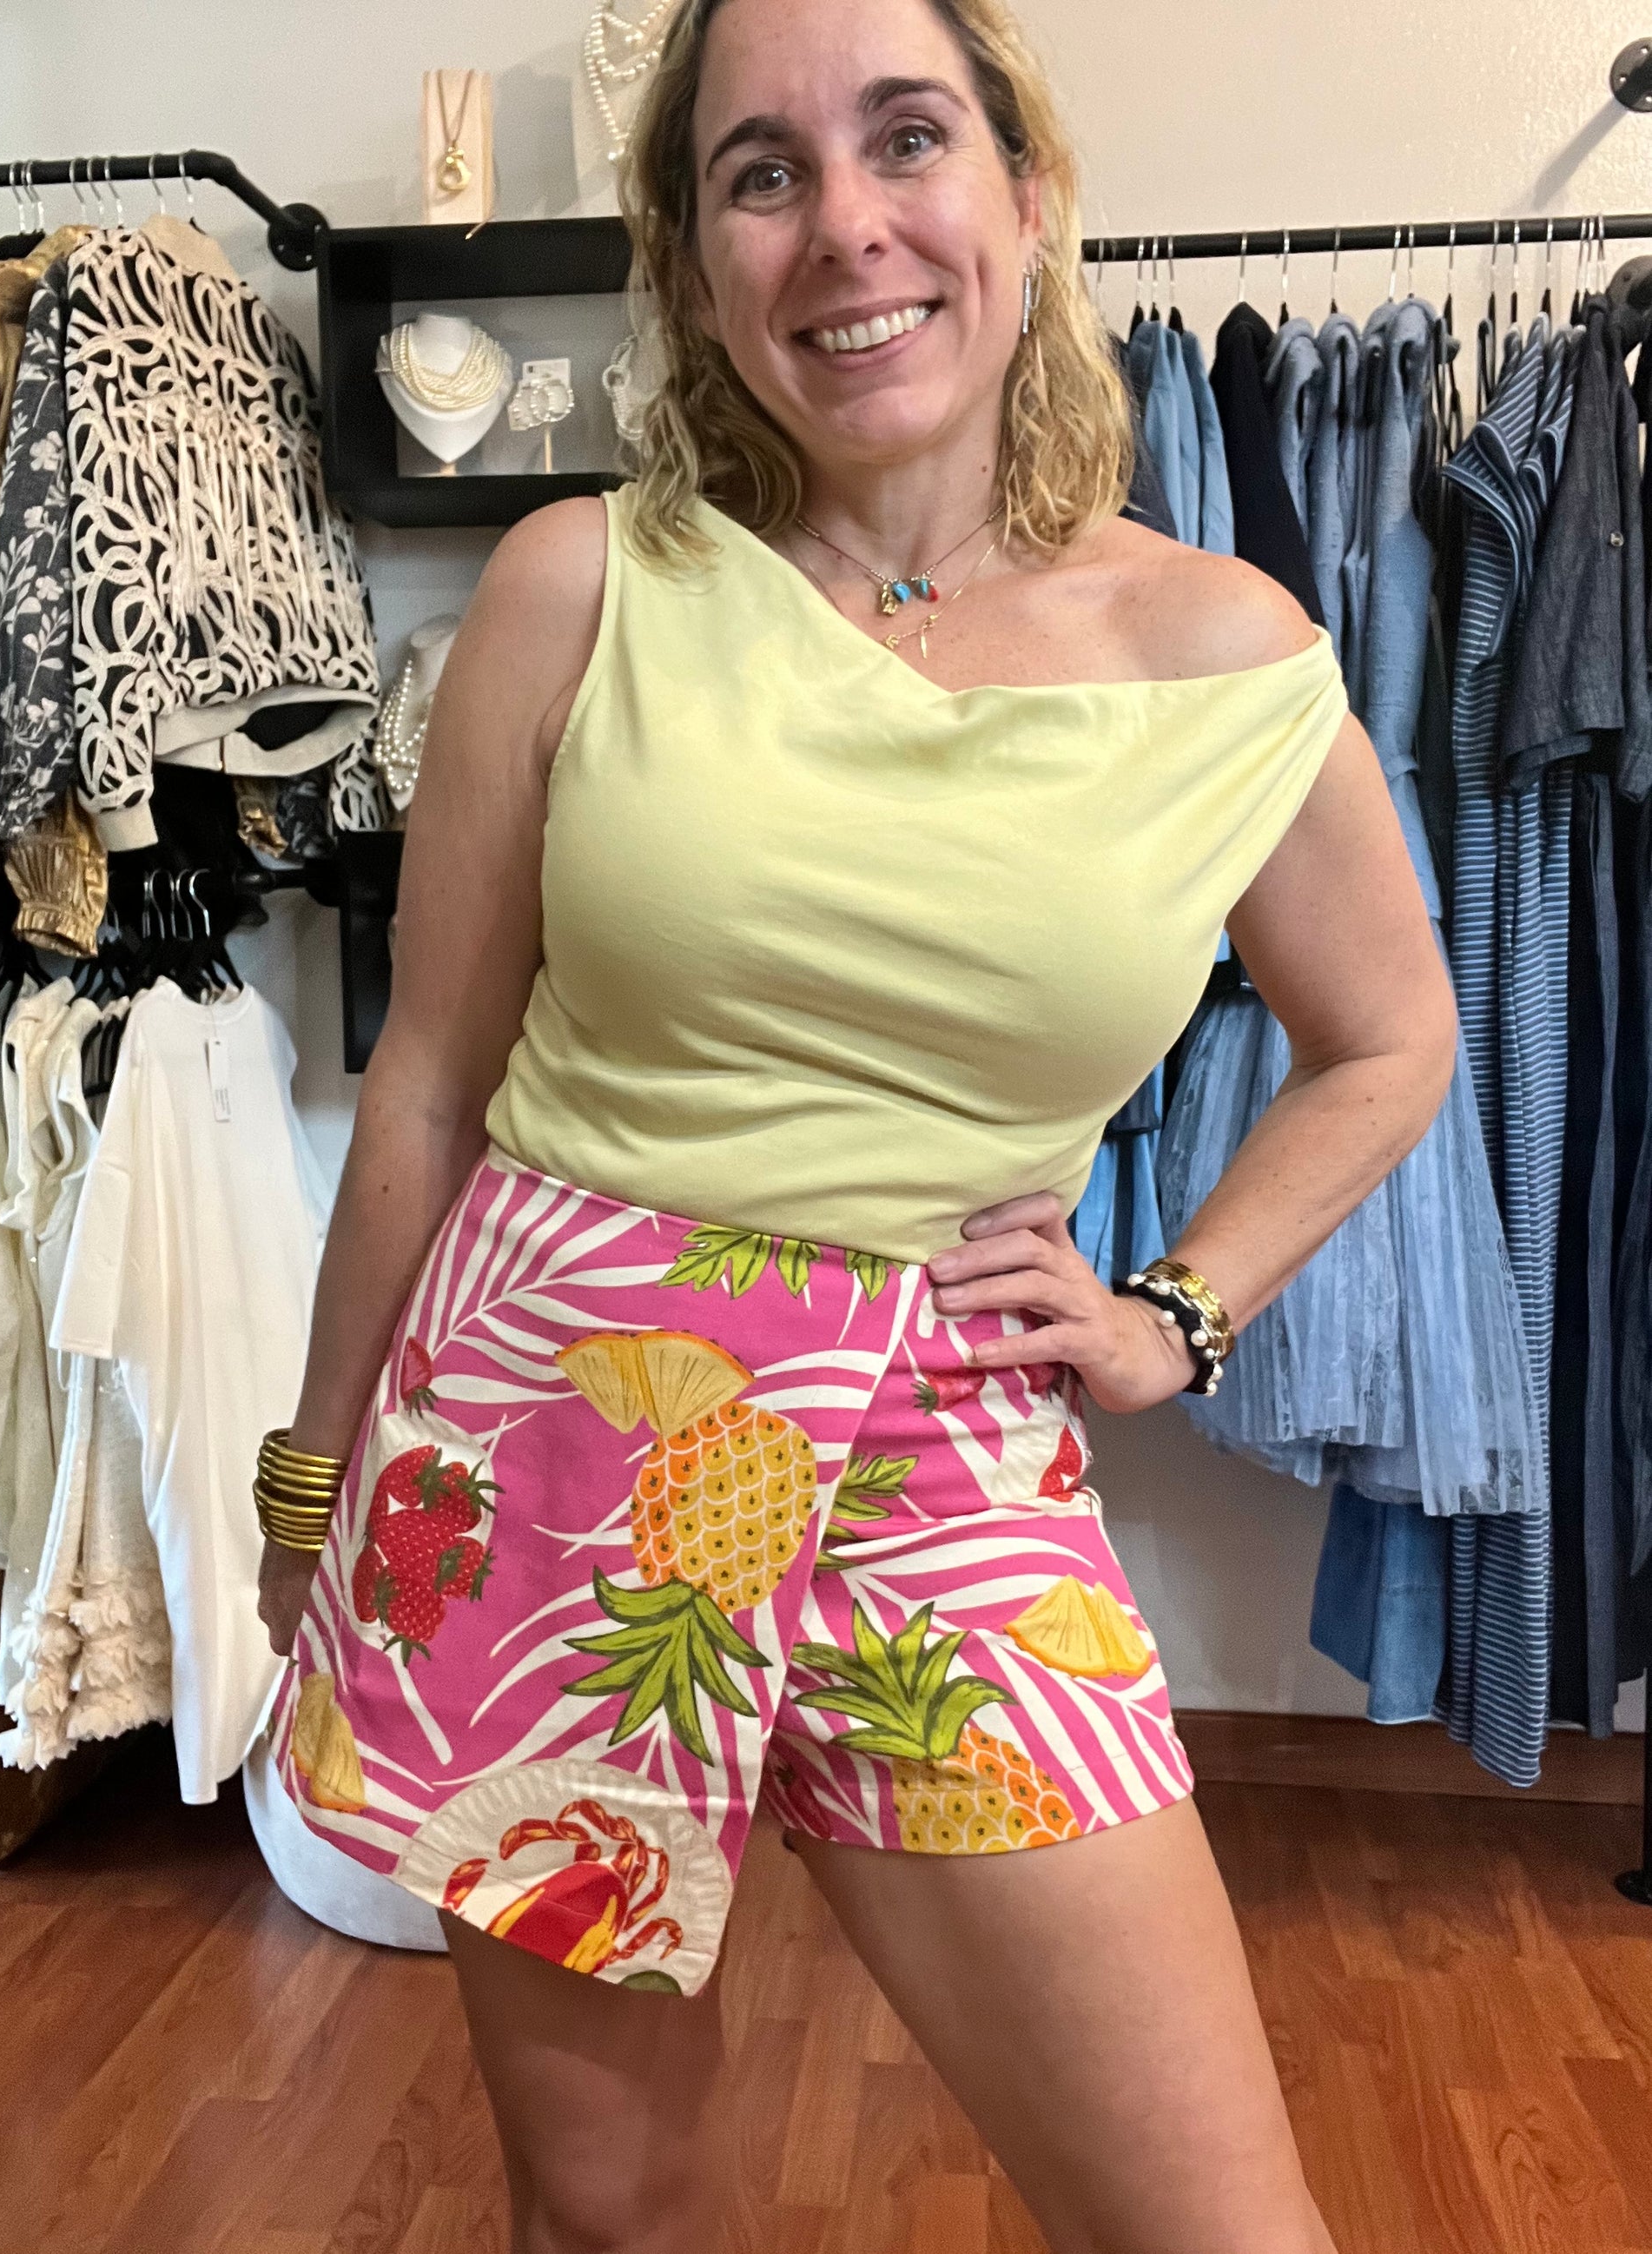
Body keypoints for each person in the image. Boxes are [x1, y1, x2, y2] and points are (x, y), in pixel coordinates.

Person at [255, 1, 1455, 2247]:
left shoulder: (1226, 658)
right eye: (760, 171)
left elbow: (1389, 1037)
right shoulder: (581, 585)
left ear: (1023, 190)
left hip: (940, 1438)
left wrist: (1178, 1311)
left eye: (906, 138)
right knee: (611, 2210)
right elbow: (426, 1077)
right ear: (696, 259)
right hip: (543, 1436)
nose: (842, 225)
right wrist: (308, 1487)